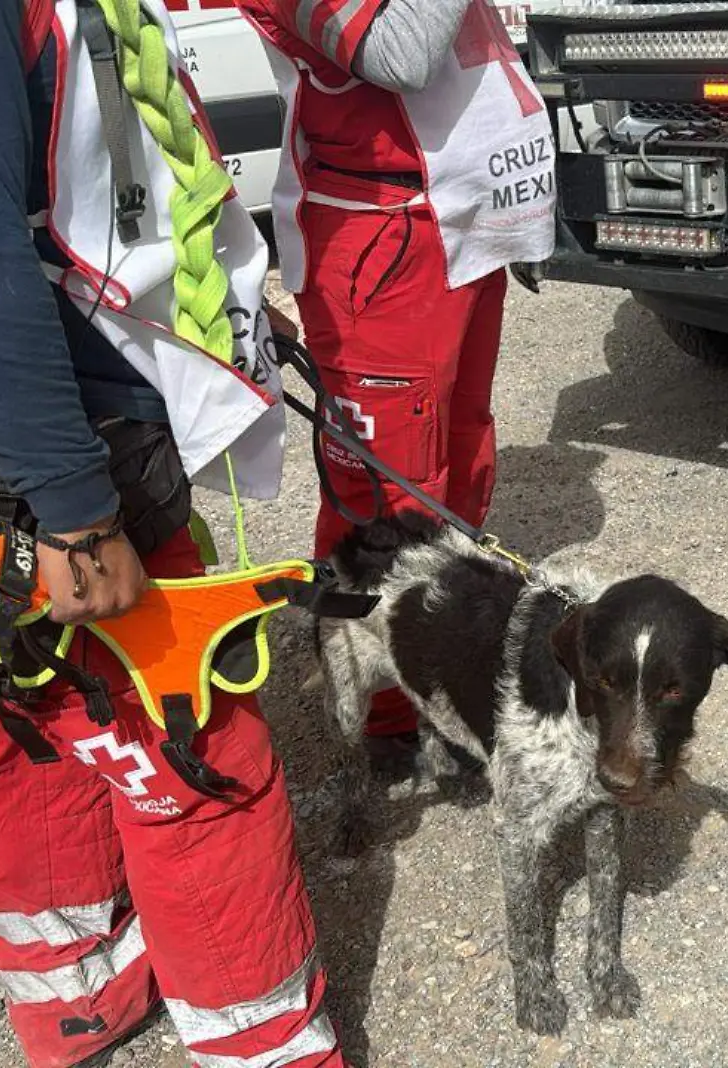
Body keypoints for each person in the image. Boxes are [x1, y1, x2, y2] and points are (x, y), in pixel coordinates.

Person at [0, 1, 342, 1064]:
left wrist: (224, 302)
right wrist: (73, 504)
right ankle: (264, 1042)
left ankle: (76, 989)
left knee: (11, 700)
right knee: (187, 739)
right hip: (13, 410)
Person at [237, 0, 555, 746]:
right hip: (377, 234)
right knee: (387, 498)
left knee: (461, 455)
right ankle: (380, 709)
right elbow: (403, 54)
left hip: (452, 220)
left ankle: (439, 656)